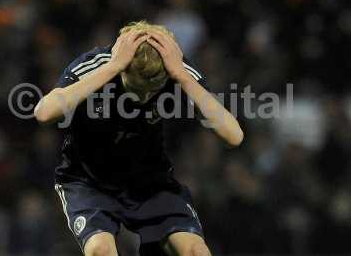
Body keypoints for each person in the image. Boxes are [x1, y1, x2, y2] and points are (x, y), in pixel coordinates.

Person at [34, 21, 243, 256]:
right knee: (100, 251)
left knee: (196, 251)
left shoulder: (175, 69)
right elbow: (44, 112)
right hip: (88, 180)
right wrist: (112, 68)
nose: (143, 98)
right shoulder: (98, 63)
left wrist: (183, 77)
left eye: (151, 91)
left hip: (149, 181)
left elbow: (233, 135)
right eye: (135, 89)